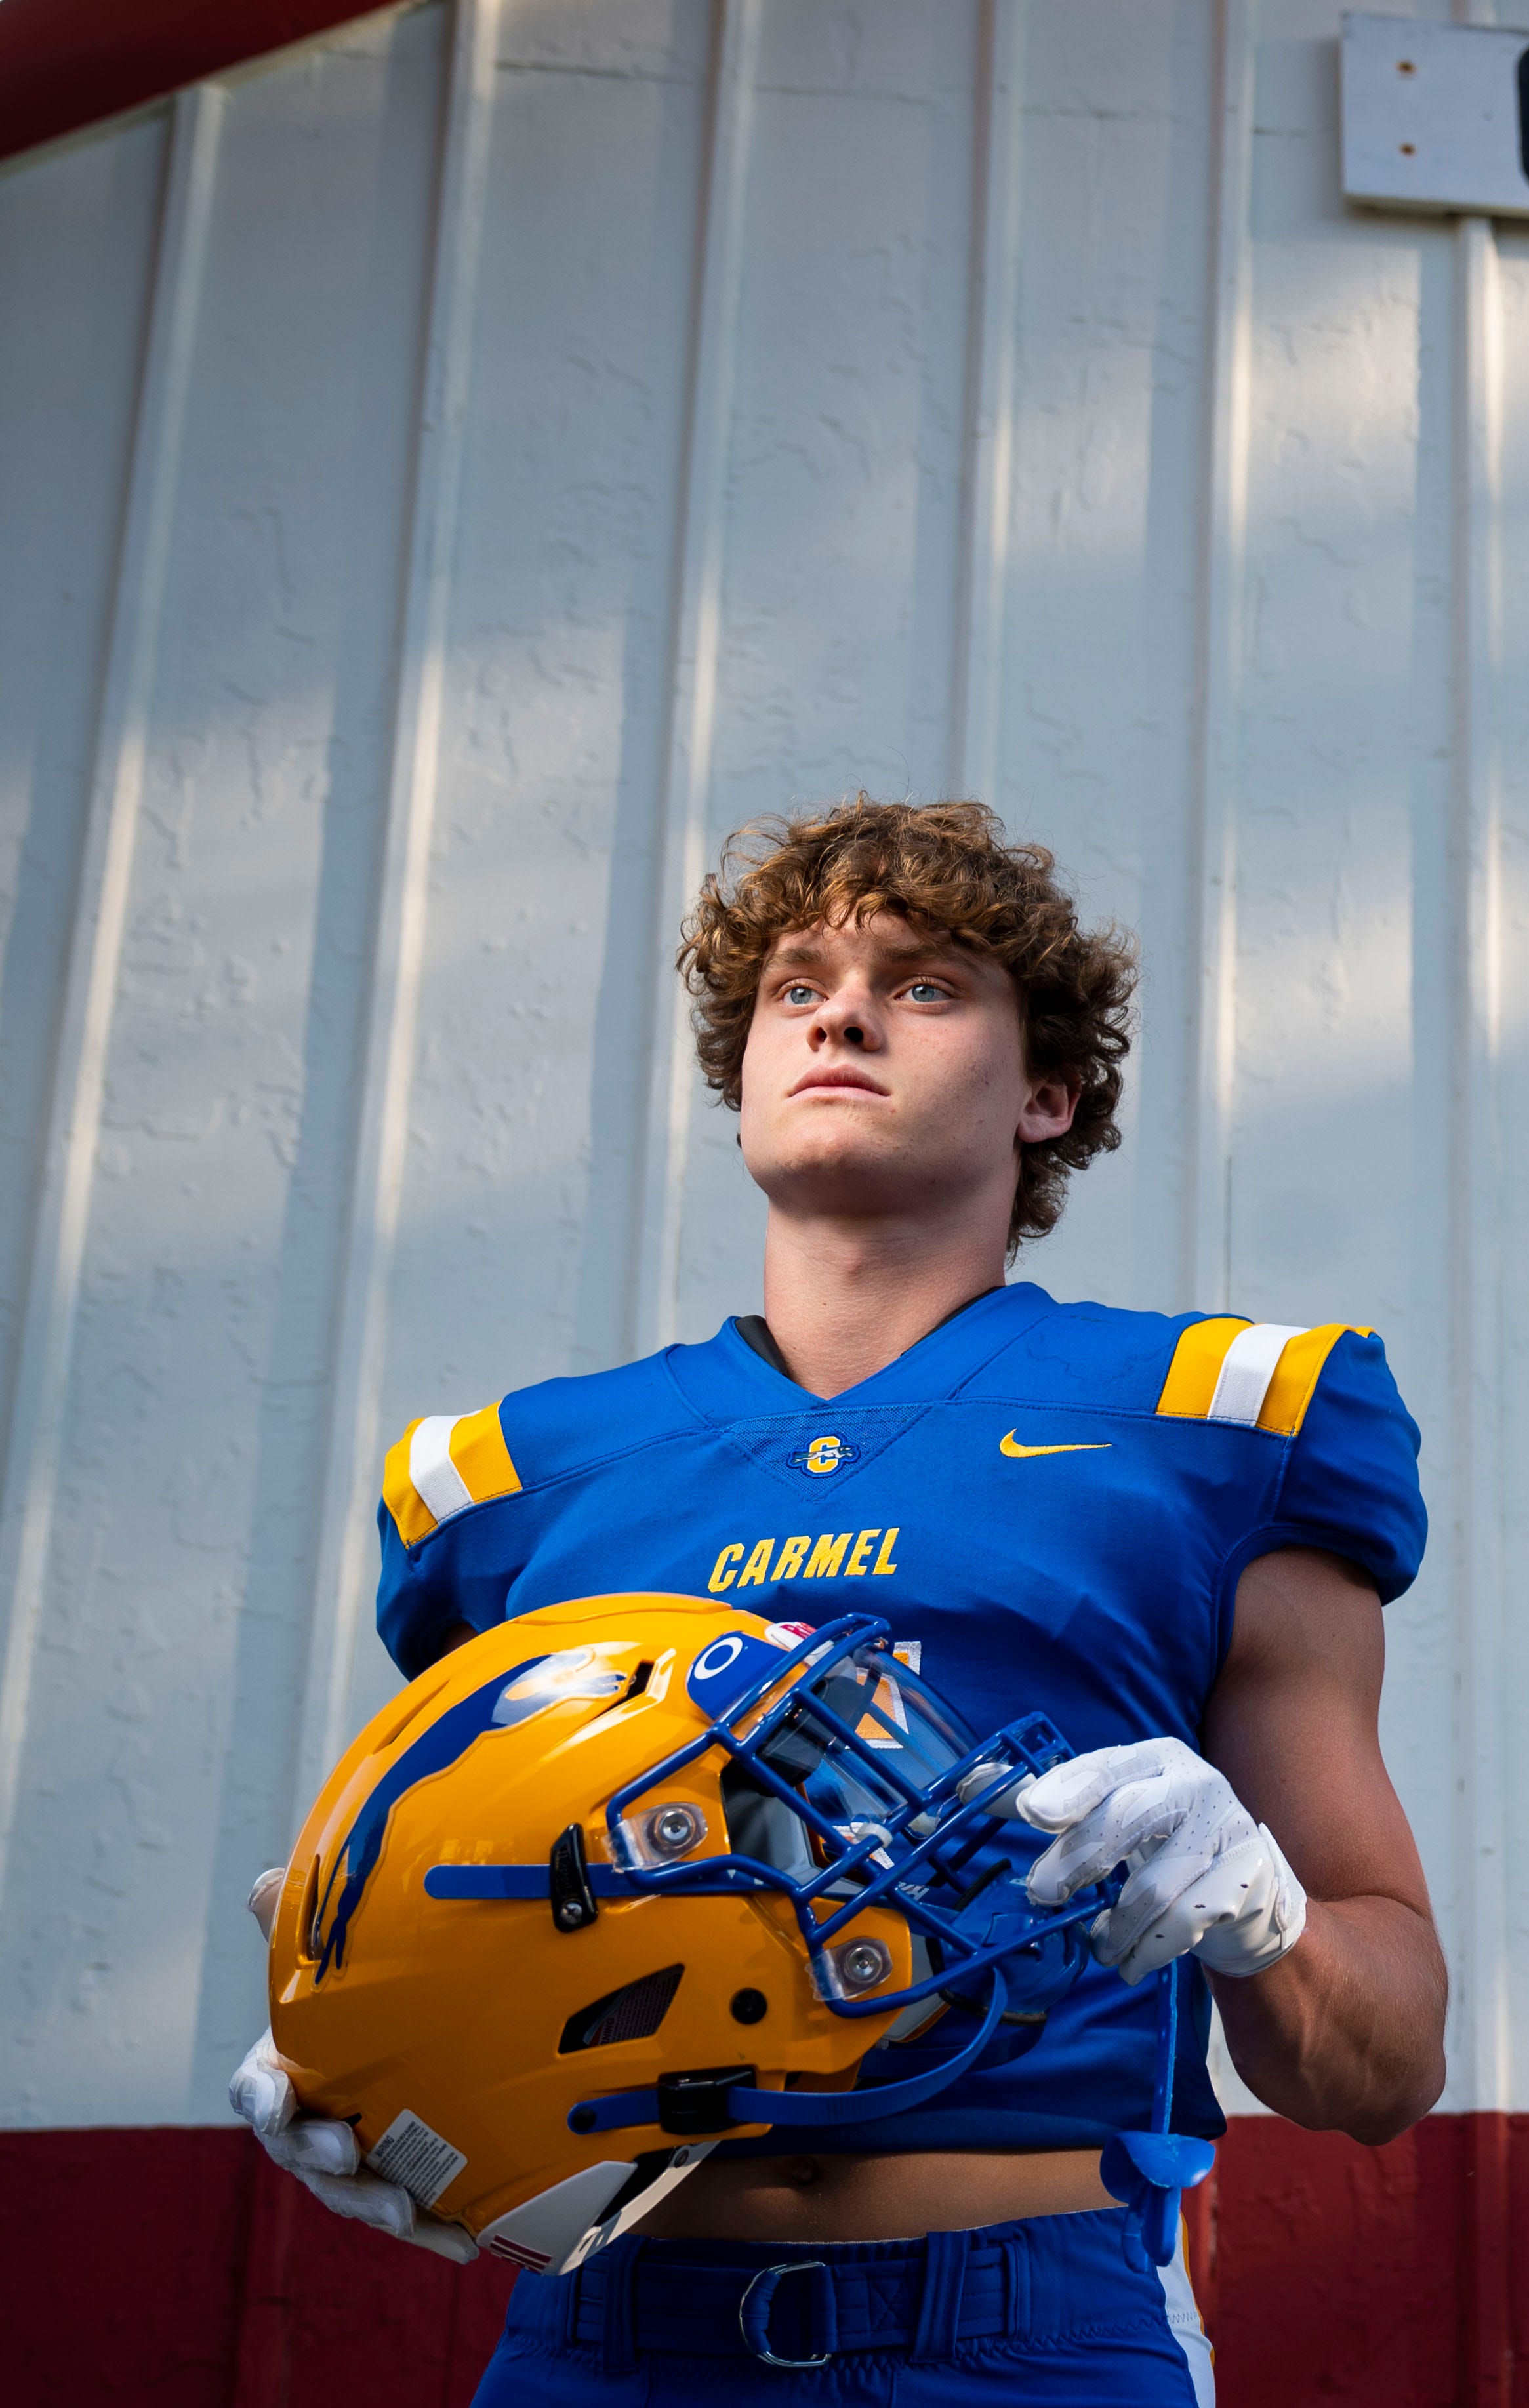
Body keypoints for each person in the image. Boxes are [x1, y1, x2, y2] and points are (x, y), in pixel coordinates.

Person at [224, 798, 1448, 2403]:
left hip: (1029, 2327)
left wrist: (1259, 1913)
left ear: (1049, 1094)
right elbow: (503, 1904)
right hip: (608, 2335)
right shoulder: (510, 1477)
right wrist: (366, 2045)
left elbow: (1386, 2064)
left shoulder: (1217, 1420)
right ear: (742, 1073)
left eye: (927, 986)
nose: (845, 1012)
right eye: (797, 987)